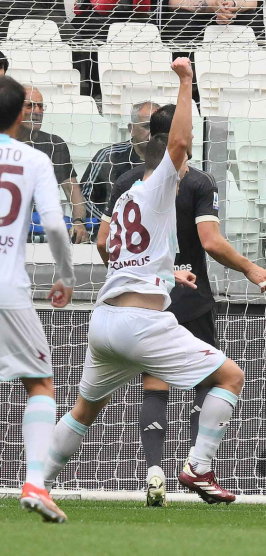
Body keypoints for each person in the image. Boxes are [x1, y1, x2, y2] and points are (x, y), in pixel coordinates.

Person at [42, 58, 245, 512]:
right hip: (141, 323)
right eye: (180, 163)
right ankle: (198, 466)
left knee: (83, 410)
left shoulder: (129, 194)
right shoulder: (158, 186)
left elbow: (118, 250)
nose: (185, 165)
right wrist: (186, 81)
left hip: (106, 320)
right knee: (230, 376)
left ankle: (37, 482)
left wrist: (168, 273)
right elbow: (180, 140)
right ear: (171, 165)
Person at [95, 102, 266, 506]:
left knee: (154, 388)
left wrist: (130, 272)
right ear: (183, 135)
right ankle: (198, 468)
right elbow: (210, 241)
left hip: (140, 297)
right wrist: (248, 267)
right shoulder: (196, 182)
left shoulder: (126, 180)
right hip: (188, 295)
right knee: (209, 381)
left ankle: (154, 471)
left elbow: (104, 242)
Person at [0, 75, 75, 523]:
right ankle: (33, 483)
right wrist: (65, 276)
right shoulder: (33, 158)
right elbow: (54, 225)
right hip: (8, 290)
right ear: (20, 114)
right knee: (40, 383)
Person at [16, 86, 88, 244]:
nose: (37, 111)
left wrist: (78, 221)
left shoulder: (55, 144)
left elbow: (72, 189)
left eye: (41, 106)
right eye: (30, 105)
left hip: (42, 228)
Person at [81, 101, 160, 222]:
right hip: (110, 230)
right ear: (131, 129)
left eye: (157, 127)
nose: (153, 132)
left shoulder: (169, 160)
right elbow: (83, 197)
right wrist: (110, 221)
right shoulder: (109, 156)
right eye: (147, 126)